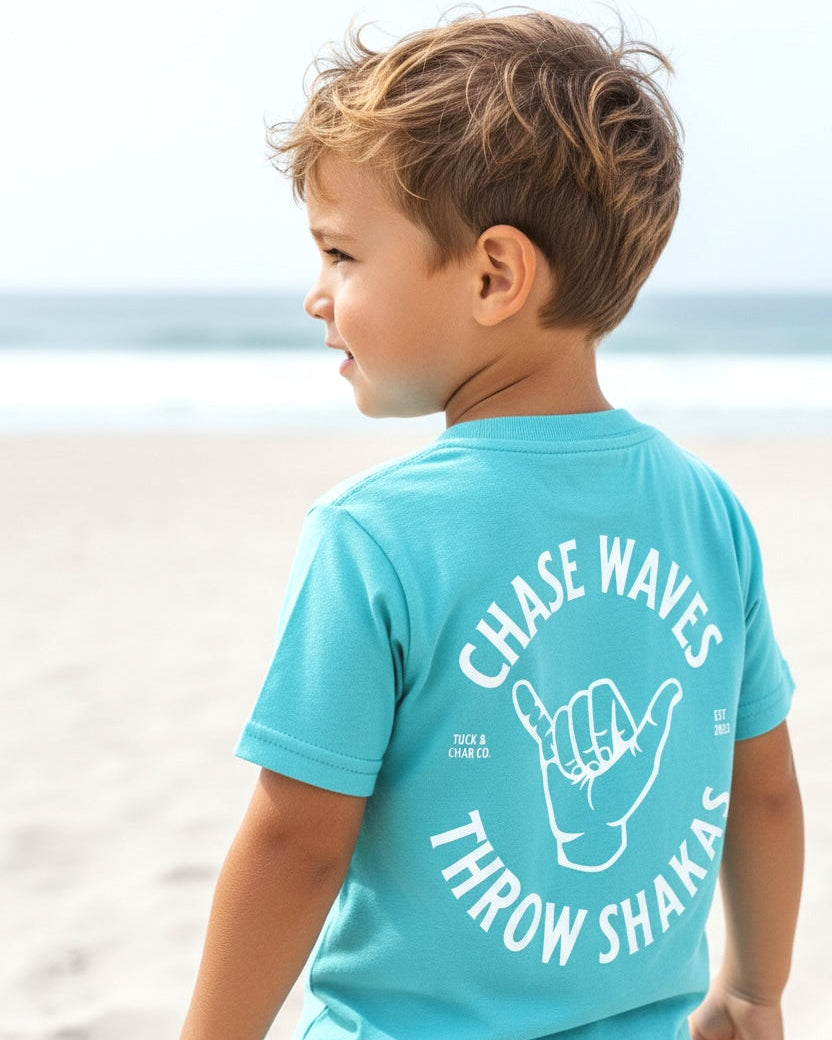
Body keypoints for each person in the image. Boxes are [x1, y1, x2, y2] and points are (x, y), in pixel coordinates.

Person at [180, 11, 803, 1040]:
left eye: (341, 254)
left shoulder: (375, 536)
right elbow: (766, 790)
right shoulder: (708, 511)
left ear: (492, 276)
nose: (314, 295)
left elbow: (297, 841)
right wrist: (752, 988)